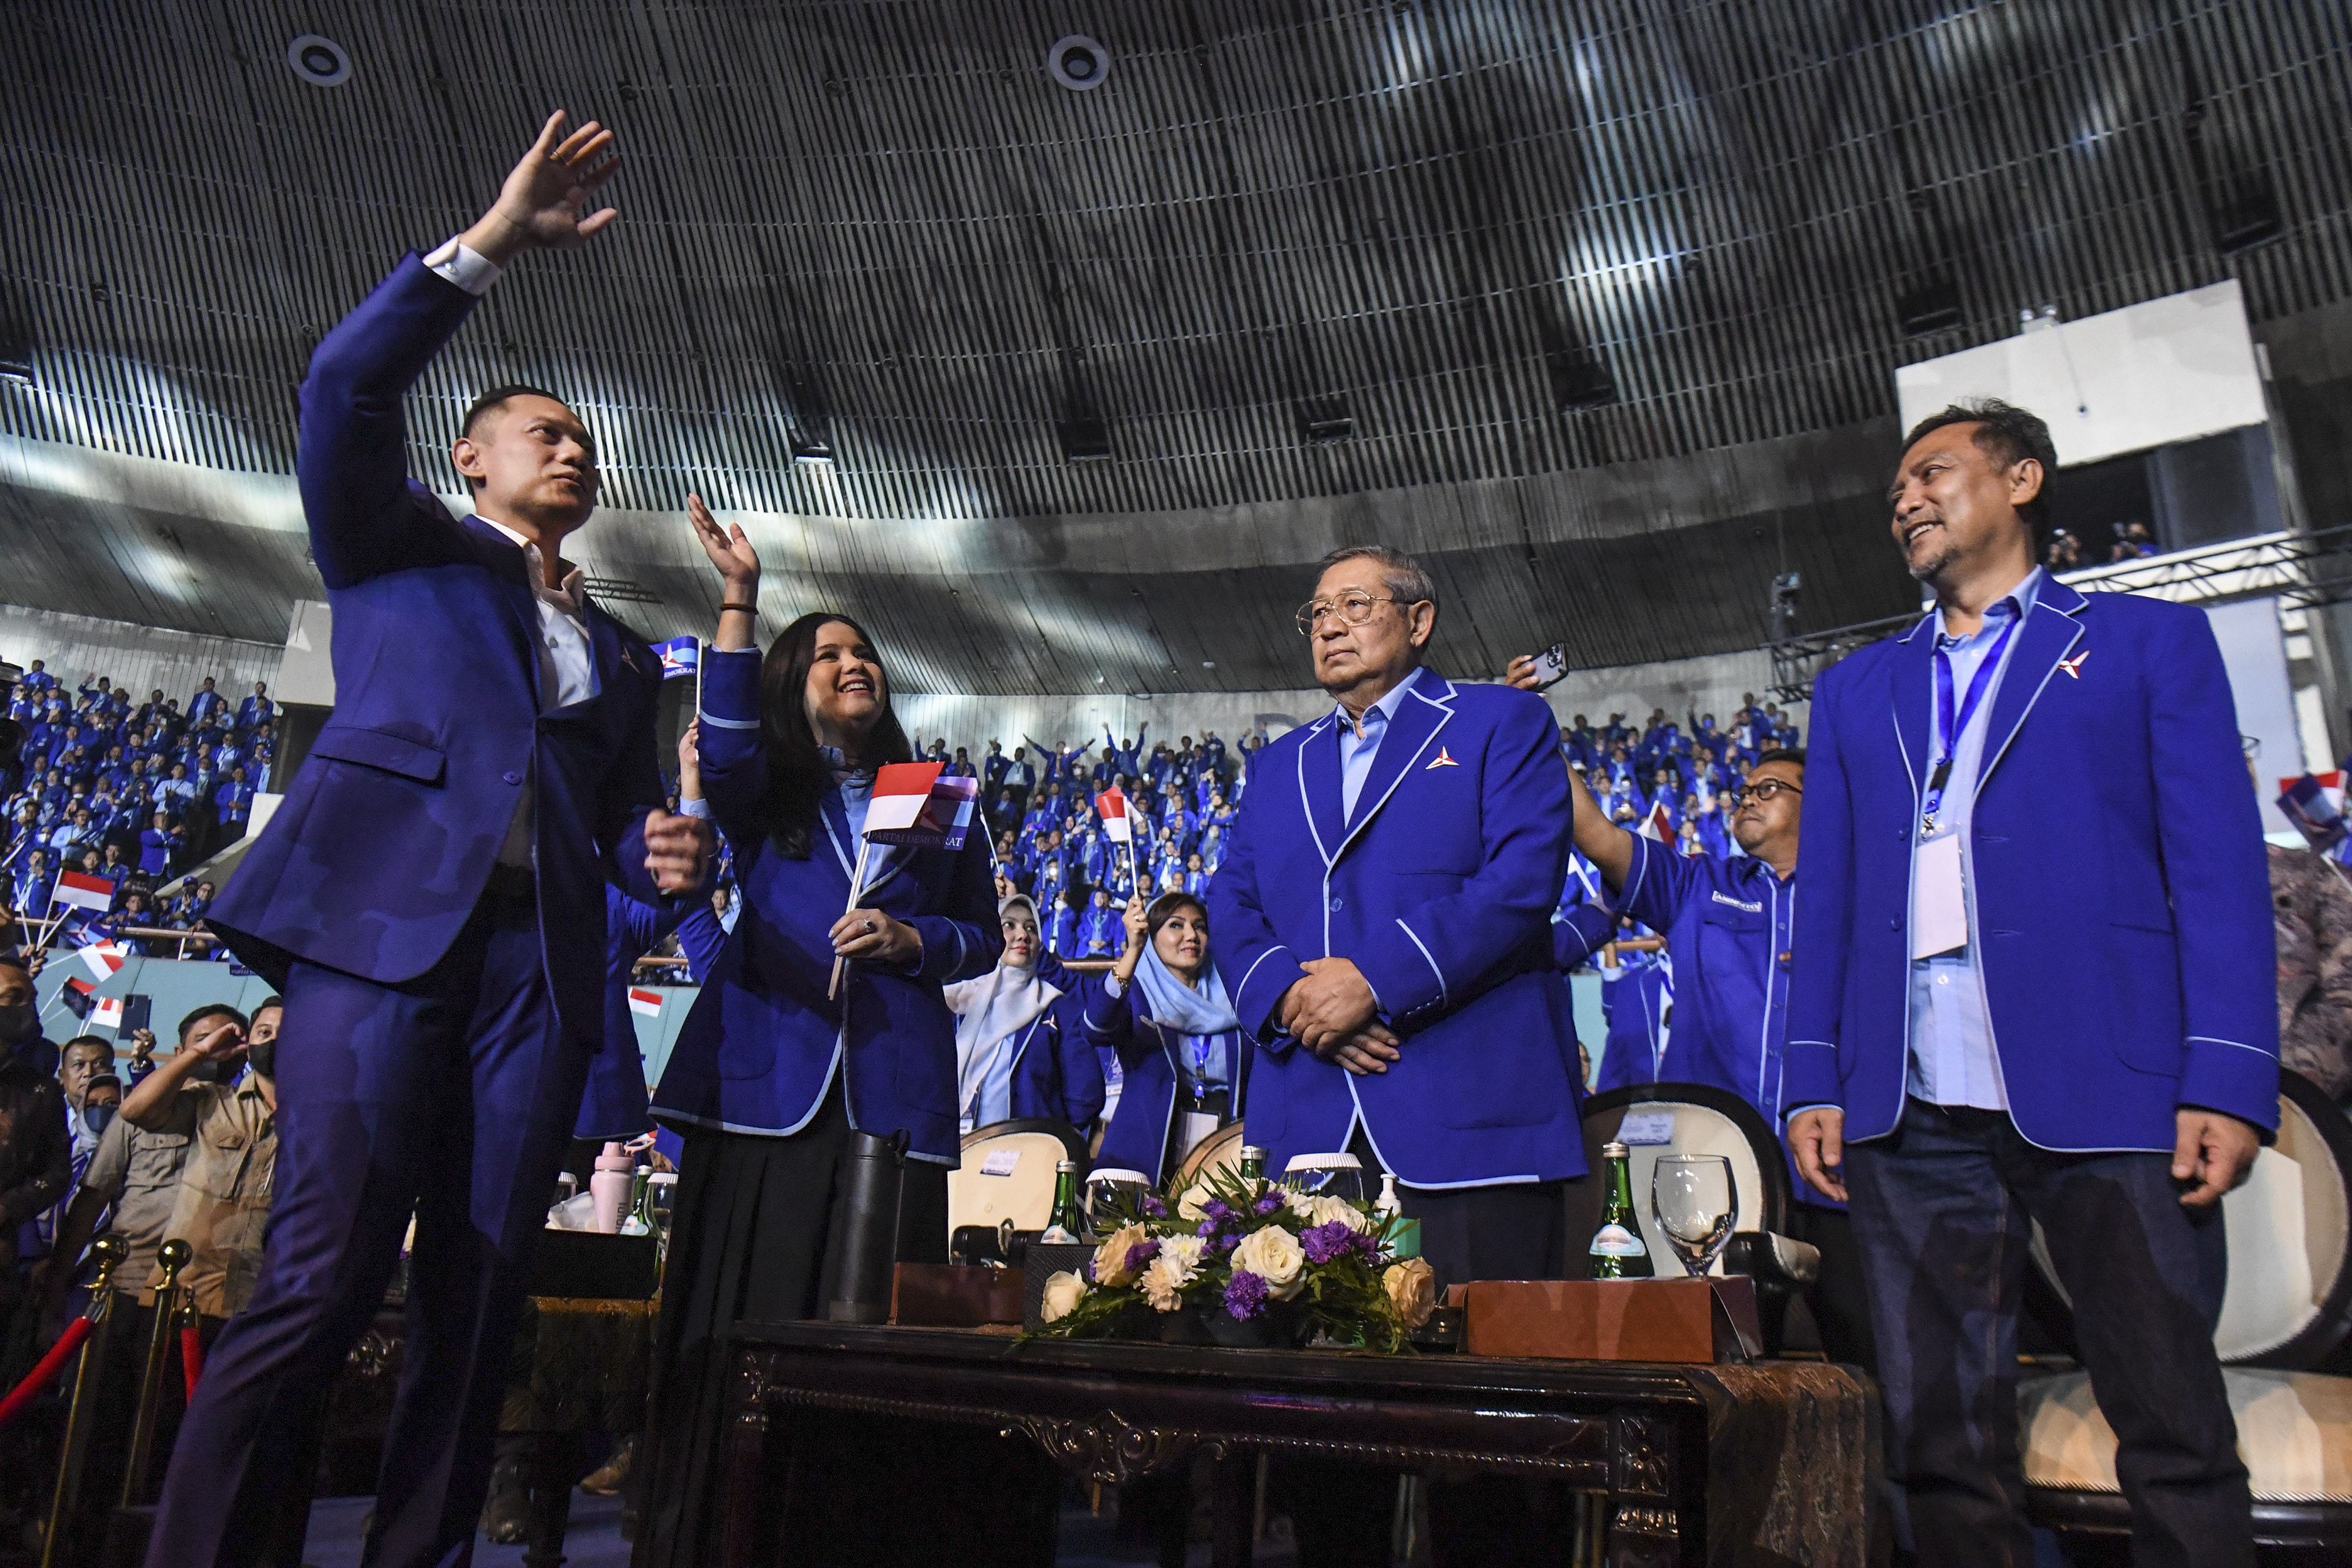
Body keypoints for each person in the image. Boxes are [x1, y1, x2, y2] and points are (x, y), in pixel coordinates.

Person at [153, 115, 713, 1568]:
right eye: (547, 432)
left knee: (479, 1303)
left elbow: (614, 834)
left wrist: (663, 858)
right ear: (471, 458)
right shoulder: (397, 545)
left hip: (536, 977)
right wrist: (489, 246)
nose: (575, 451)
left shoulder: (620, 647)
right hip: (382, 941)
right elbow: (341, 384)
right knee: (325, 1278)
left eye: (588, 442)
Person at [1785, 398, 2275, 1566]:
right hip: (1909, 1103)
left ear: (2018, 480)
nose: (1902, 496)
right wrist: (1814, 1077)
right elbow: (1832, 896)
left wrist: (2227, 1076)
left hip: (2103, 1081)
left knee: (2168, 1423)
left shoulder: (2148, 645)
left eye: (1931, 471)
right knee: (1936, 1439)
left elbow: (2213, 869)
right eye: (1895, 485)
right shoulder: (1856, 690)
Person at [637, 503, 1000, 1568]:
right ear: (795, 682)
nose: (853, 663)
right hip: (764, 1086)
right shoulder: (766, 792)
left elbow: (978, 934)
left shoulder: (938, 799)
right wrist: (742, 602)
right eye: (827, 653)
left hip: (893, 1095)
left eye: (864, 652)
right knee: (740, 1318)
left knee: (873, 1342)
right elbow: (733, 740)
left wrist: (911, 936)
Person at [1209, 544, 1584, 1284]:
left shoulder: (1502, 720)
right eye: (1316, 612)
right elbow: (1231, 900)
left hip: (1469, 1117)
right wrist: (1295, 1002)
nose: (1328, 627)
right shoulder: (1276, 764)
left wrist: (1371, 983)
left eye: (1354, 605)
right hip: (1308, 1124)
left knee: (1479, 1377)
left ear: (1419, 620)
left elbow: (1520, 882)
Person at [1087, 891, 1248, 1181]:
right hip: (1146, 1150)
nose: (1191, 935)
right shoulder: (1138, 994)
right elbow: (1096, 1027)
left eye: (1200, 926)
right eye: (1176, 925)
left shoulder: (1234, 995)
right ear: (1151, 936)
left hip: (1227, 1150)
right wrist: (1133, 952)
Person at [943, 894, 1106, 1132]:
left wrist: (1052, 1138)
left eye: (1032, 928)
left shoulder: (1058, 1008)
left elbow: (1085, 1097)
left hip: (1032, 1155)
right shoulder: (956, 1002)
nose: (1023, 935)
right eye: (1009, 925)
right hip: (960, 1152)